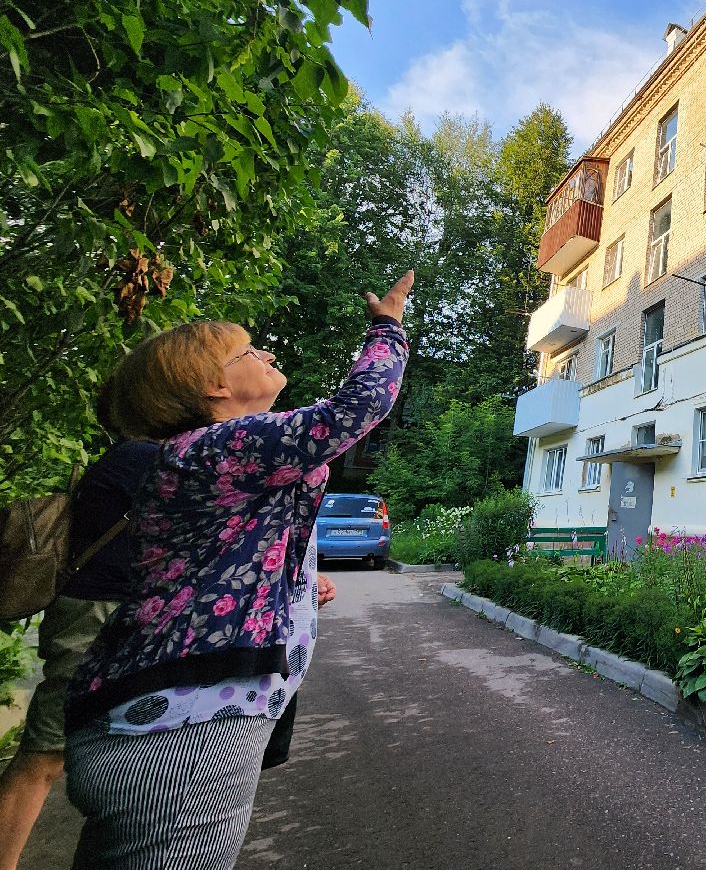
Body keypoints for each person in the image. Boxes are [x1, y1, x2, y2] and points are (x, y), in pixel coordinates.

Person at [62, 271, 412, 870]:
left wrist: (295, 588)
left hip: (164, 718)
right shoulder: (215, 448)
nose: (267, 353)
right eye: (248, 351)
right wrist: (389, 326)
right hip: (184, 734)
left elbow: (224, 561)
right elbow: (358, 407)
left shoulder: (206, 462)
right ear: (211, 388)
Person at [0, 434, 156, 870]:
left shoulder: (146, 453)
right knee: (46, 755)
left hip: (119, 608)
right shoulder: (145, 456)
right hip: (96, 612)